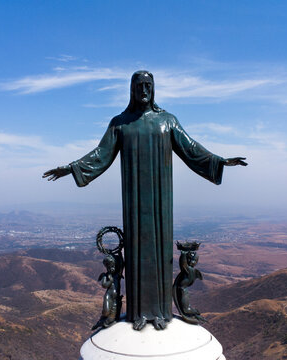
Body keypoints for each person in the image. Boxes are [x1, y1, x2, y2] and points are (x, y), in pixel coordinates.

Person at [43, 70, 247, 330]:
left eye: (147, 85)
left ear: (154, 89)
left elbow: (191, 148)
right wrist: (72, 168)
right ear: (131, 89)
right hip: (134, 201)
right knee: (138, 253)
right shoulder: (121, 123)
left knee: (161, 255)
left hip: (161, 201)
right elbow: (101, 154)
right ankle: (139, 313)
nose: (143, 90)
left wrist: (220, 161)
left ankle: (161, 312)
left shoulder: (168, 121)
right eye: (138, 86)